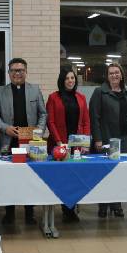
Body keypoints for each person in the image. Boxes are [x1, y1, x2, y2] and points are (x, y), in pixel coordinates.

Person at [0, 58, 47, 225]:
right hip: (9, 141)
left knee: (29, 177)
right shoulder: (0, 92)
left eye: (21, 70)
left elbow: (43, 113)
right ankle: (9, 212)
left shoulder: (35, 90)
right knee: (9, 178)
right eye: (14, 70)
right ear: (9, 73)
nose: (17, 73)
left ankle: (29, 213)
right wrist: (5, 128)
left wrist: (38, 131)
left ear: (26, 72)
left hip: (30, 142)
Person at [46, 67, 90, 223]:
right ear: (62, 81)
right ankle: (57, 208)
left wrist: (85, 142)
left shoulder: (81, 97)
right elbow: (50, 122)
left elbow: (85, 121)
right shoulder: (53, 97)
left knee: (74, 177)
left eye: (72, 78)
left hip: (77, 145)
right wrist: (59, 142)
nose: (70, 81)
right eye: (67, 78)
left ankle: (69, 209)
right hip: (59, 144)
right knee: (60, 178)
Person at [89, 63, 127, 219]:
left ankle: (117, 204)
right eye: (111, 73)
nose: (114, 75)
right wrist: (98, 139)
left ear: (121, 74)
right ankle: (103, 205)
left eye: (117, 72)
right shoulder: (100, 92)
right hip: (108, 139)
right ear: (107, 76)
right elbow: (94, 118)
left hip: (125, 139)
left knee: (120, 174)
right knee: (106, 174)